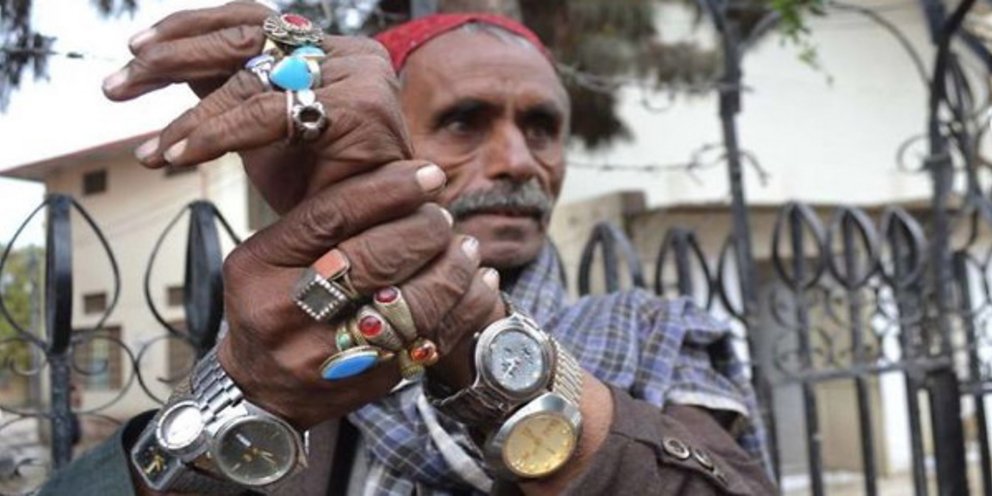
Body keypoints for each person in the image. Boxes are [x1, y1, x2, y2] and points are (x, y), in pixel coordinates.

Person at [39, 3, 776, 495]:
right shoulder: (284, 360)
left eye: (542, 128)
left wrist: (480, 344)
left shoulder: (652, 333)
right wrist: (245, 401)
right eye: (464, 121)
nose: (518, 161)